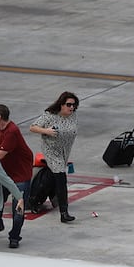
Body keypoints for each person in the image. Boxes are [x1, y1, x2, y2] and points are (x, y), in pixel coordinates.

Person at [0, 104, 33, 248]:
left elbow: (0, 154)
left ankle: (14, 236)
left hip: (20, 174)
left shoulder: (12, 131)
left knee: (17, 208)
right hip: (6, 173)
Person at [29, 91, 79, 223]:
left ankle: (35, 199)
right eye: (68, 104)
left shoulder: (73, 116)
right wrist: (47, 131)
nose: (71, 107)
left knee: (51, 177)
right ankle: (64, 212)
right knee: (61, 179)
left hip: (64, 152)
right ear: (61, 104)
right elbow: (33, 127)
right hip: (51, 151)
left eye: (74, 105)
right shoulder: (50, 116)